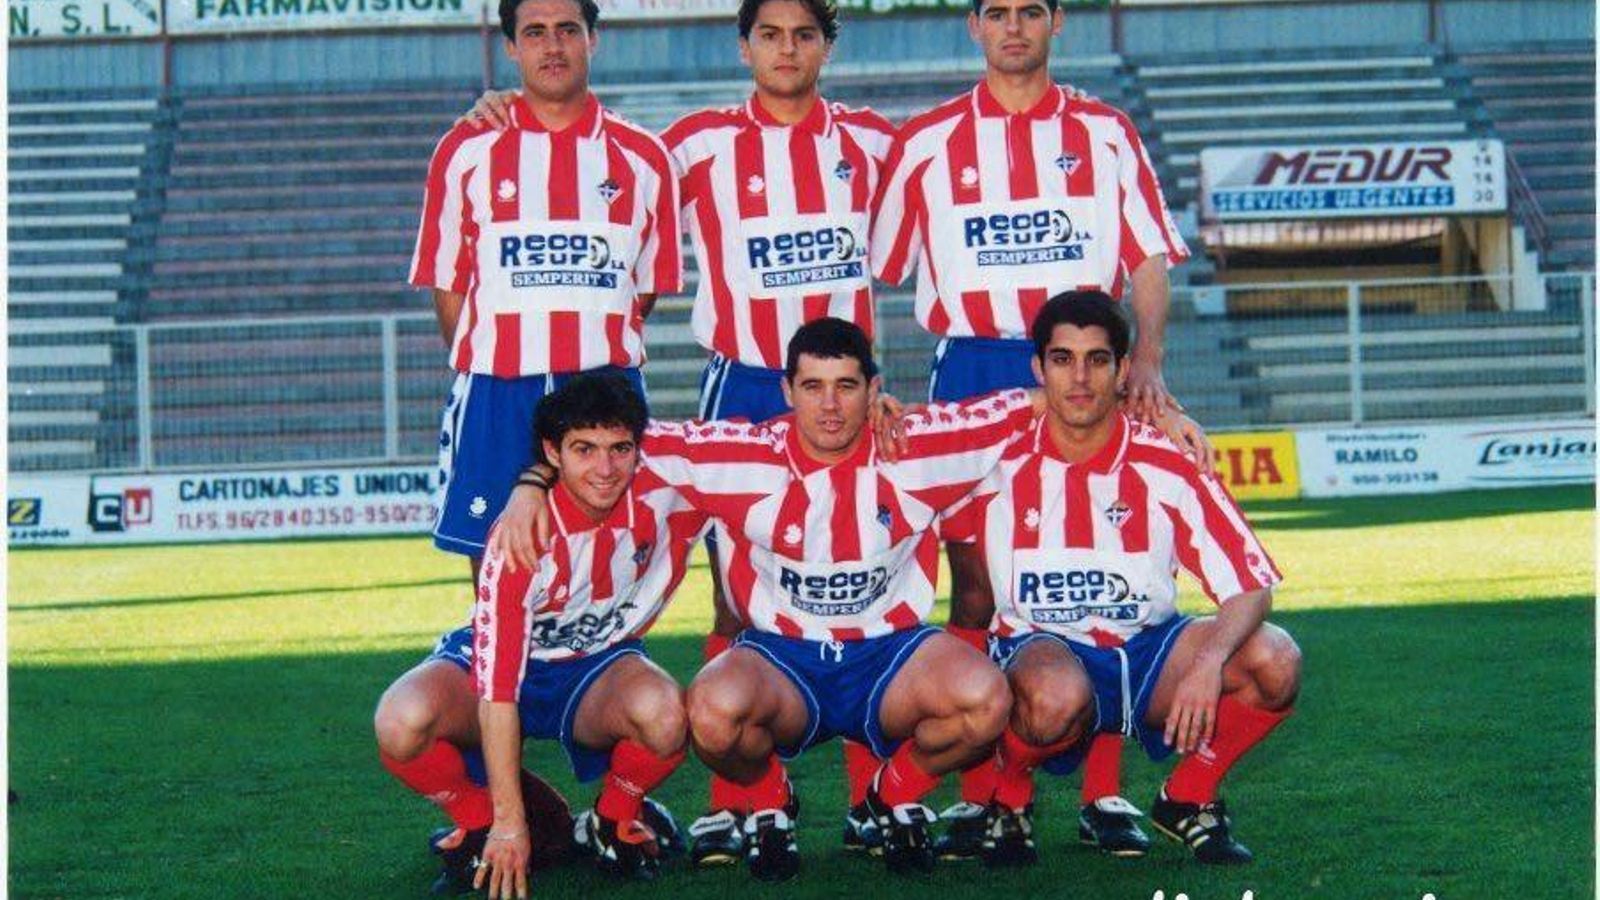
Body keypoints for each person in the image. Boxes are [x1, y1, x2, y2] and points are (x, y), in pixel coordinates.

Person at [460, 0, 898, 859]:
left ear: (828, 46)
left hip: (844, 392)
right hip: (742, 384)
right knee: (736, 596)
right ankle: (756, 800)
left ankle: (871, 802)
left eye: (804, 33)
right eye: (769, 33)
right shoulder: (689, 144)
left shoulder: (879, 144)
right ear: (744, 46)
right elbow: (605, 193)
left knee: (864, 575)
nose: (786, 49)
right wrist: (500, 113)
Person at [868, 0, 1191, 855]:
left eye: (1032, 11)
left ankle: (1104, 795)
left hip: (1084, 368)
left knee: (1106, 570)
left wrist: (1146, 361)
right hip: (974, 368)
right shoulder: (928, 139)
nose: (1015, 27)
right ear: (974, 26)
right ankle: (991, 795)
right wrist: (871, 381)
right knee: (976, 587)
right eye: (997, 12)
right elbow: (874, 267)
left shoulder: (1105, 129)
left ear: (1058, 24)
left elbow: (1148, 256)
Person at [945, 291, 1300, 867]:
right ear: (1039, 369)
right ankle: (1008, 797)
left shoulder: (1167, 458)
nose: (1080, 378)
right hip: (1041, 654)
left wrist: (1208, 663)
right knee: (1055, 695)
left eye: (1097, 359)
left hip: (1150, 653)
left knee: (1276, 659)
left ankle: (1189, 795)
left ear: (1124, 370)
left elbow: (1250, 581)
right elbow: (909, 441)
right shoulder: (993, 460)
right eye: (1063, 359)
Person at [374, 373, 705, 897]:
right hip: (504, 666)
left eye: (620, 448)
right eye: (584, 449)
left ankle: (610, 822)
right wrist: (510, 823)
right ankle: (479, 824)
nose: (604, 468)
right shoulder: (519, 534)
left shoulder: (672, 484)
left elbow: (775, 446)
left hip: (595, 665)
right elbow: (499, 691)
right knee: (401, 721)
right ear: (553, 452)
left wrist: (874, 416)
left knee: (666, 716)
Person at [408, 0, 679, 587]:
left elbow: (646, 288)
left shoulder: (644, 158)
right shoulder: (465, 150)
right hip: (498, 389)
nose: (552, 46)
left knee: (610, 563)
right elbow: (449, 285)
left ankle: (606, 676)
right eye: (535, 32)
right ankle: (501, 678)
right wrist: (494, 356)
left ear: (592, 39)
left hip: (604, 385)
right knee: (495, 568)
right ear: (512, 46)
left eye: (567, 30)